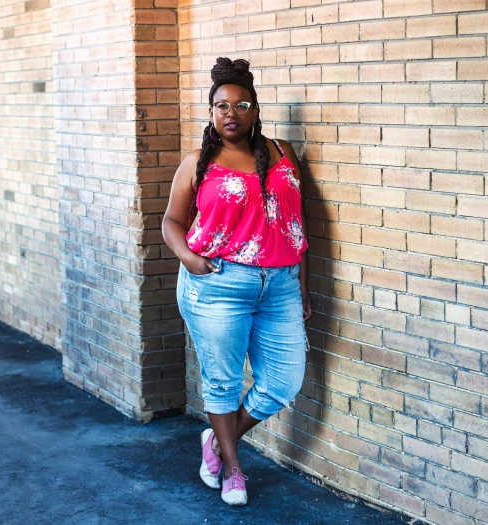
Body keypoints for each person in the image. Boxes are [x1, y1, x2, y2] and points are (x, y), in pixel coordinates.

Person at [162, 57, 313, 506]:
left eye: (241, 104)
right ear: (211, 113)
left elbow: (296, 224)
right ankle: (232, 468)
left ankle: (218, 440)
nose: (231, 112)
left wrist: (302, 282)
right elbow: (171, 221)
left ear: (254, 110)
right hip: (218, 283)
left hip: (281, 283)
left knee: (283, 381)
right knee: (223, 382)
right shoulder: (197, 163)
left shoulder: (283, 154)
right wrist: (188, 258)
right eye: (221, 105)